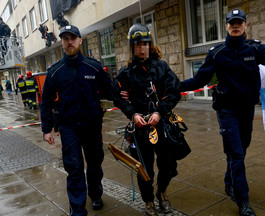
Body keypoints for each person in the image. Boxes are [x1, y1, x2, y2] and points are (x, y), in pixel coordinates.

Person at [180, 8, 265, 216]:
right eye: (232, 23)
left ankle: (229, 182)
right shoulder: (217, 53)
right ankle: (243, 202)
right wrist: (174, 87)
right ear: (226, 26)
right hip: (226, 110)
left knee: (241, 149)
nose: (236, 26)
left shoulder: (255, 49)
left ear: (245, 26)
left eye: (239, 22)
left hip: (247, 109)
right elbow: (199, 80)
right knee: (237, 154)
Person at [40, 25, 112, 216]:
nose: (69, 42)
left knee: (95, 165)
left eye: (73, 38)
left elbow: (110, 90)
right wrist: (47, 129)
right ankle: (78, 210)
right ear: (62, 43)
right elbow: (46, 101)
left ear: (80, 41)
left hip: (92, 126)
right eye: (65, 39)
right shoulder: (55, 71)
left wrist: (129, 102)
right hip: (69, 127)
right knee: (74, 168)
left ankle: (95, 194)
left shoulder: (93, 67)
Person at [112, 23, 181, 216]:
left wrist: (160, 111)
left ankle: (161, 192)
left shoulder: (161, 67)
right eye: (137, 44)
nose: (141, 48)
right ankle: (149, 200)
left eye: (145, 44)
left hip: (162, 125)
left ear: (150, 45)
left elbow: (175, 91)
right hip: (139, 128)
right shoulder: (126, 73)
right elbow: (117, 95)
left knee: (168, 165)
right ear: (132, 47)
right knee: (144, 168)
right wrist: (132, 114)